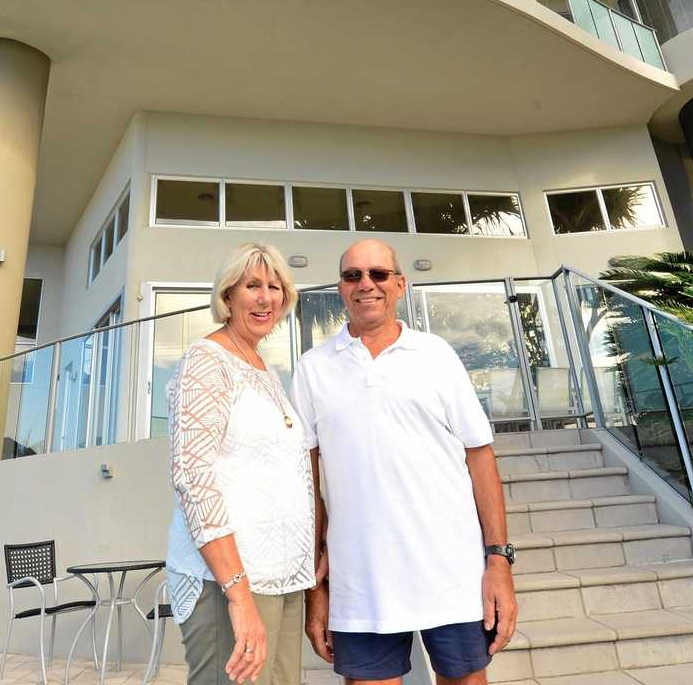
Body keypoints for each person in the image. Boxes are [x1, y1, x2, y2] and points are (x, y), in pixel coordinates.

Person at [292, 238, 518, 685]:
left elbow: (480, 458)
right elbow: (306, 481)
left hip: (452, 573)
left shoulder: (437, 356)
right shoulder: (312, 368)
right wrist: (316, 590)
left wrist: (498, 562)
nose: (366, 285)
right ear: (340, 287)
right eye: (353, 275)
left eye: (378, 274)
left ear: (399, 284)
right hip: (359, 580)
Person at [165, 243, 315, 685]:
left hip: (282, 578)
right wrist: (238, 595)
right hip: (230, 583)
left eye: (275, 287)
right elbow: (194, 476)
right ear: (228, 296)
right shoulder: (207, 360)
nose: (265, 297)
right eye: (253, 285)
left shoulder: (264, 368)